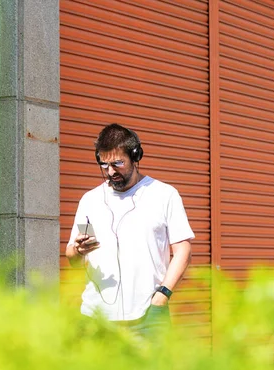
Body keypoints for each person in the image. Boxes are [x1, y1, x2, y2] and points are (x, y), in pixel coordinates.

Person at [65, 123, 194, 335]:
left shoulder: (164, 195)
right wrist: (77, 251)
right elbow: (73, 258)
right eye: (104, 165)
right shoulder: (90, 201)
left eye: (118, 163)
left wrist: (162, 296)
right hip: (95, 319)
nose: (110, 172)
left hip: (147, 318)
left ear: (135, 156)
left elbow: (183, 251)